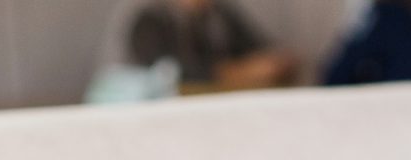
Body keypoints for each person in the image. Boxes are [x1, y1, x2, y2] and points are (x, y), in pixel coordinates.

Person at [122, 0, 295, 90]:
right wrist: (240, 72)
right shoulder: (151, 20)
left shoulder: (220, 16)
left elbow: (261, 49)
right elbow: (171, 72)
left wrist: (273, 63)